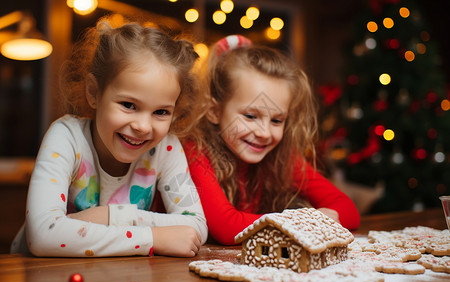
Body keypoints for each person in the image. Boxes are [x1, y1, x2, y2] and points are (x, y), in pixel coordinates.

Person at [10, 17, 207, 257]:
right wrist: (152, 237)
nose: (143, 126)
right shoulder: (66, 137)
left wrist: (101, 217)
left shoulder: (167, 148)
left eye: (161, 112)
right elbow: (43, 235)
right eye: (128, 105)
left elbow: (194, 226)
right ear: (94, 93)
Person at [182, 35, 360, 245]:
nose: (265, 133)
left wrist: (318, 219)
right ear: (214, 111)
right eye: (250, 116)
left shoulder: (282, 157)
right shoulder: (194, 151)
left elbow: (348, 210)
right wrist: (306, 223)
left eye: (277, 120)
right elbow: (227, 227)